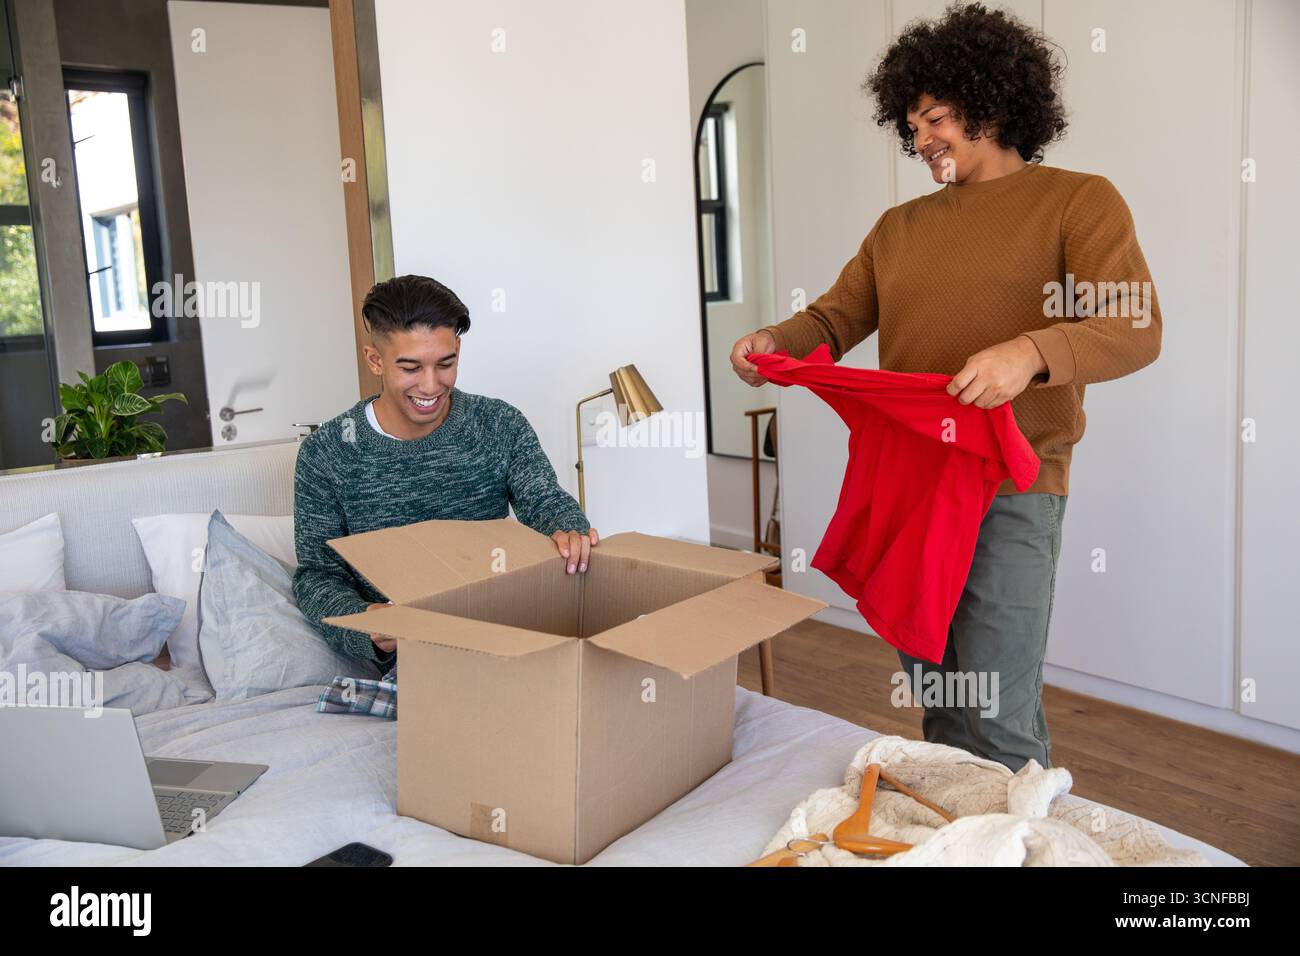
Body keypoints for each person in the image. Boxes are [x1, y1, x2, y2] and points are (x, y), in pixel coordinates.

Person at [730, 2, 1161, 772]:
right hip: (911, 484)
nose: (922, 140)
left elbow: (1135, 326)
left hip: (1014, 484)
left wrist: (1029, 351)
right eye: (913, 127)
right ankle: (963, 838)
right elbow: (835, 318)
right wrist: (775, 343)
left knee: (995, 708)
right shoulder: (899, 228)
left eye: (936, 119)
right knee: (936, 695)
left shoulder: (1078, 201)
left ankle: (1021, 839)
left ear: (992, 103)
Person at [292, 274, 598, 672]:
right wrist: (369, 626)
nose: (432, 385)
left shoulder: (499, 424)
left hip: (508, 634)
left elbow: (545, 502)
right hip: (418, 661)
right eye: (410, 367)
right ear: (375, 360)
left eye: (446, 363)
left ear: (458, 350)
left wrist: (569, 530)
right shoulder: (326, 454)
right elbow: (316, 577)